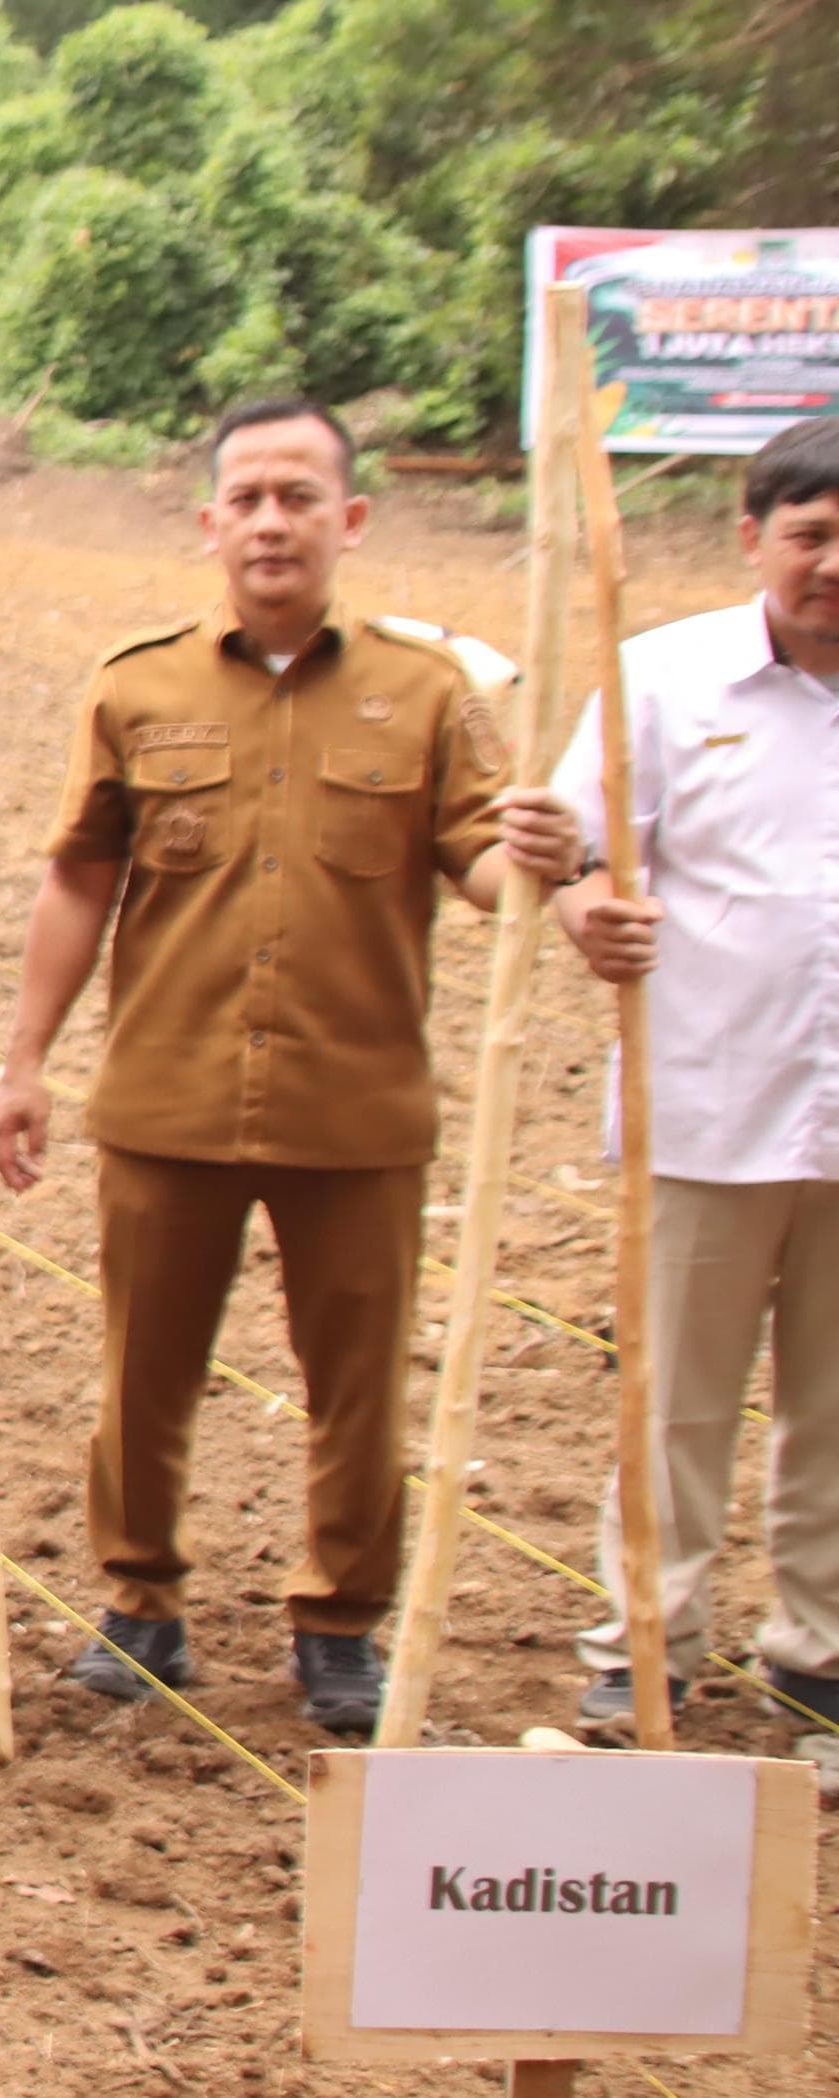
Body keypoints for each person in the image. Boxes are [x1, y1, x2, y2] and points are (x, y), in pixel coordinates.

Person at [0, 397, 583, 1735]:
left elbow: (478, 863)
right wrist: (22, 1059)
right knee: (144, 1370)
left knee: (356, 1381)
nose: (271, 521)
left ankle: (340, 1624)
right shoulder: (139, 687)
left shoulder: (429, 695)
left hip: (355, 1108)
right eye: (247, 497)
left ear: (349, 521)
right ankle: (139, 1604)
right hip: (168, 1100)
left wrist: (530, 859)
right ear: (209, 523)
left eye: (300, 497)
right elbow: (82, 879)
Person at [550, 416, 839, 1741]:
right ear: (751, 538)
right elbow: (576, 851)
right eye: (811, 536)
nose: (833, 564)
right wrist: (591, 908)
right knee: (676, 1401)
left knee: (835, 1409)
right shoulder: (664, 681)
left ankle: (819, 1648)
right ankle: (644, 1644)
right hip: (708, 1104)